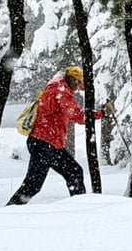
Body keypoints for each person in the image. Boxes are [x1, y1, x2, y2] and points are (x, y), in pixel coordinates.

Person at [6, 65, 112, 205]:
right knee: (33, 184)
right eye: (78, 85)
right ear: (73, 80)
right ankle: (9, 210)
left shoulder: (57, 86)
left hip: (48, 143)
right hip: (44, 143)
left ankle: (79, 206)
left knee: (74, 172)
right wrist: (101, 114)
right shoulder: (61, 90)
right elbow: (76, 115)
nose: (77, 90)